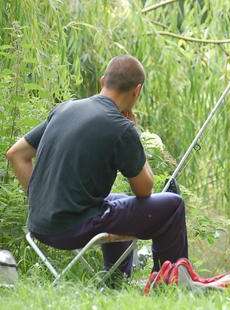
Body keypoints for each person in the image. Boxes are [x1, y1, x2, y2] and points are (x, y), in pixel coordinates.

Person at [5, 55, 188, 277]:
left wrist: (38, 198)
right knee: (173, 204)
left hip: (40, 224)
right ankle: (167, 280)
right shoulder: (120, 126)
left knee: (118, 201)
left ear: (103, 81)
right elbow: (144, 189)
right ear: (137, 90)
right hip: (74, 228)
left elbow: (15, 154)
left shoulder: (65, 109)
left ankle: (115, 280)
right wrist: (133, 132)